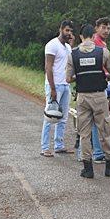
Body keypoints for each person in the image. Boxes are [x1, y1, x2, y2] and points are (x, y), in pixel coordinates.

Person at [67, 23, 110, 179]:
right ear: (92, 35)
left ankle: (87, 168)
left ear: (81, 37)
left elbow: (68, 78)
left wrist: (81, 76)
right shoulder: (102, 52)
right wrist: (102, 75)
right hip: (99, 96)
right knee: (104, 131)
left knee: (84, 133)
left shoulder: (73, 54)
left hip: (83, 97)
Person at [41, 20, 74, 157]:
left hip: (66, 85)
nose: (69, 33)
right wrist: (53, 89)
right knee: (50, 117)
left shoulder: (67, 47)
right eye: (67, 30)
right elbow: (48, 68)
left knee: (63, 117)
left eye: (71, 31)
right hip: (54, 85)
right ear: (60, 29)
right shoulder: (52, 45)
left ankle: (59, 145)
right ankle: (45, 147)